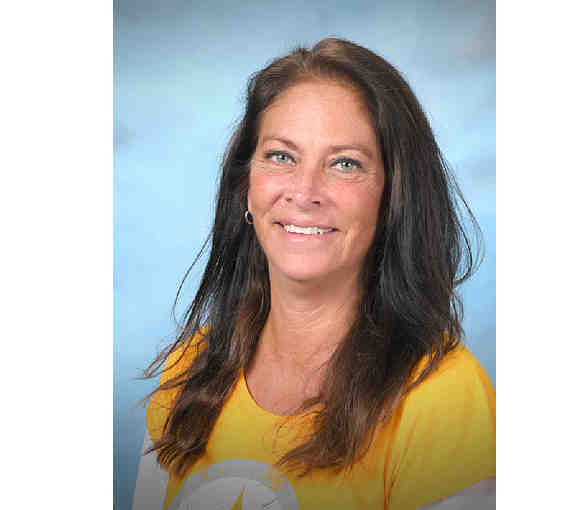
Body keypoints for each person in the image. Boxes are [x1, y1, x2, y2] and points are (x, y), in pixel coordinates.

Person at [133, 38, 495, 510]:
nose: (304, 192)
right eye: (281, 156)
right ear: (246, 185)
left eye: (345, 163)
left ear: (393, 197)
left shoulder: (443, 399)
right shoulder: (189, 371)